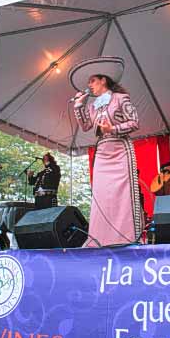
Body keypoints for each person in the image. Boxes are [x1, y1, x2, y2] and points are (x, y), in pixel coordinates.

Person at [70, 56, 143, 247]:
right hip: (102, 151)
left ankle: (126, 236)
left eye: (92, 80)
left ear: (103, 80)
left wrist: (113, 129)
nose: (90, 85)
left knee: (122, 194)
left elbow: (135, 122)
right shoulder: (94, 105)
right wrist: (79, 105)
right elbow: (86, 126)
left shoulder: (120, 98)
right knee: (101, 195)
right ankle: (100, 238)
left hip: (119, 149)